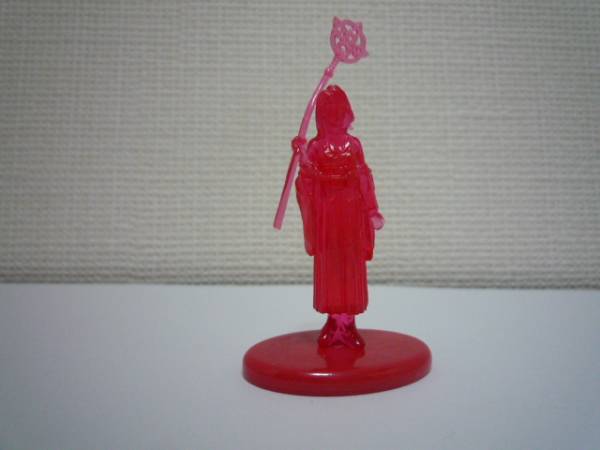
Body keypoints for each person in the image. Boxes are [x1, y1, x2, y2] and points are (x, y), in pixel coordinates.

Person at [294, 85, 384, 348]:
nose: (334, 117)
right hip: (328, 216)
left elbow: (364, 177)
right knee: (332, 266)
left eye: (338, 110)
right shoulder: (316, 146)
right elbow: (307, 180)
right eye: (328, 111)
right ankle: (334, 322)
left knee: (349, 266)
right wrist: (302, 156)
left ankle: (349, 323)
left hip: (351, 214)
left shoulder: (353, 145)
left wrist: (372, 209)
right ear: (321, 115)